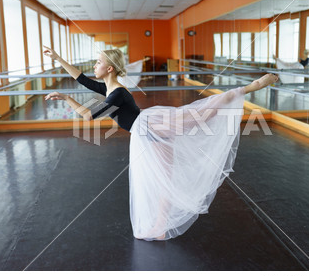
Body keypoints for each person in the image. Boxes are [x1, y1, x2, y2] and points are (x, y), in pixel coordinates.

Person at [43, 46, 278, 241]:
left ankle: (251, 86)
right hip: (146, 130)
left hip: (149, 126)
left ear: (109, 68)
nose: (94, 66)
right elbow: (81, 79)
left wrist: (66, 98)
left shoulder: (117, 94)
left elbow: (88, 116)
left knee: (201, 116)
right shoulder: (109, 88)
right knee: (168, 171)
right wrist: (58, 58)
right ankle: (161, 226)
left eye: (98, 62)